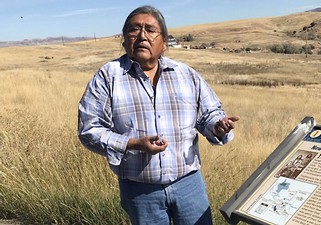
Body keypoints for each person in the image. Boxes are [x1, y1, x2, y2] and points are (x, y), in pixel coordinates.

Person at [78, 5, 240, 225]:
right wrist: (132, 144)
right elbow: (89, 129)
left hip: (189, 185)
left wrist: (217, 126)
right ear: (124, 40)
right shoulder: (108, 76)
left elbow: (209, 115)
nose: (142, 35)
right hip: (140, 190)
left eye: (150, 30)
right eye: (134, 30)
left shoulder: (186, 75)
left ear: (164, 43)